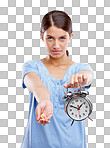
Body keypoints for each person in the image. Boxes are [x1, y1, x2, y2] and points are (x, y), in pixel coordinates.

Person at [20, 10, 94, 148]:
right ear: (42, 36)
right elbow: (36, 85)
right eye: (50, 38)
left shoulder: (80, 69)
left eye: (62, 38)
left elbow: (88, 76)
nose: (56, 45)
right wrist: (43, 99)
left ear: (70, 37)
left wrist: (83, 78)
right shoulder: (31, 66)